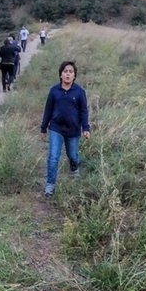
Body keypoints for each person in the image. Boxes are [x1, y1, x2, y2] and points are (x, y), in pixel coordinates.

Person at [39, 60, 91, 198]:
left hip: (73, 130)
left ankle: (74, 170)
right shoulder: (54, 91)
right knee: (53, 157)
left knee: (73, 156)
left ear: (74, 76)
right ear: (60, 75)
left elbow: (84, 111)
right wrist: (43, 128)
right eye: (65, 71)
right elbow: (48, 110)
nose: (68, 74)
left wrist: (86, 128)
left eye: (71, 72)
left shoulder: (79, 92)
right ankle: (50, 185)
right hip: (56, 128)